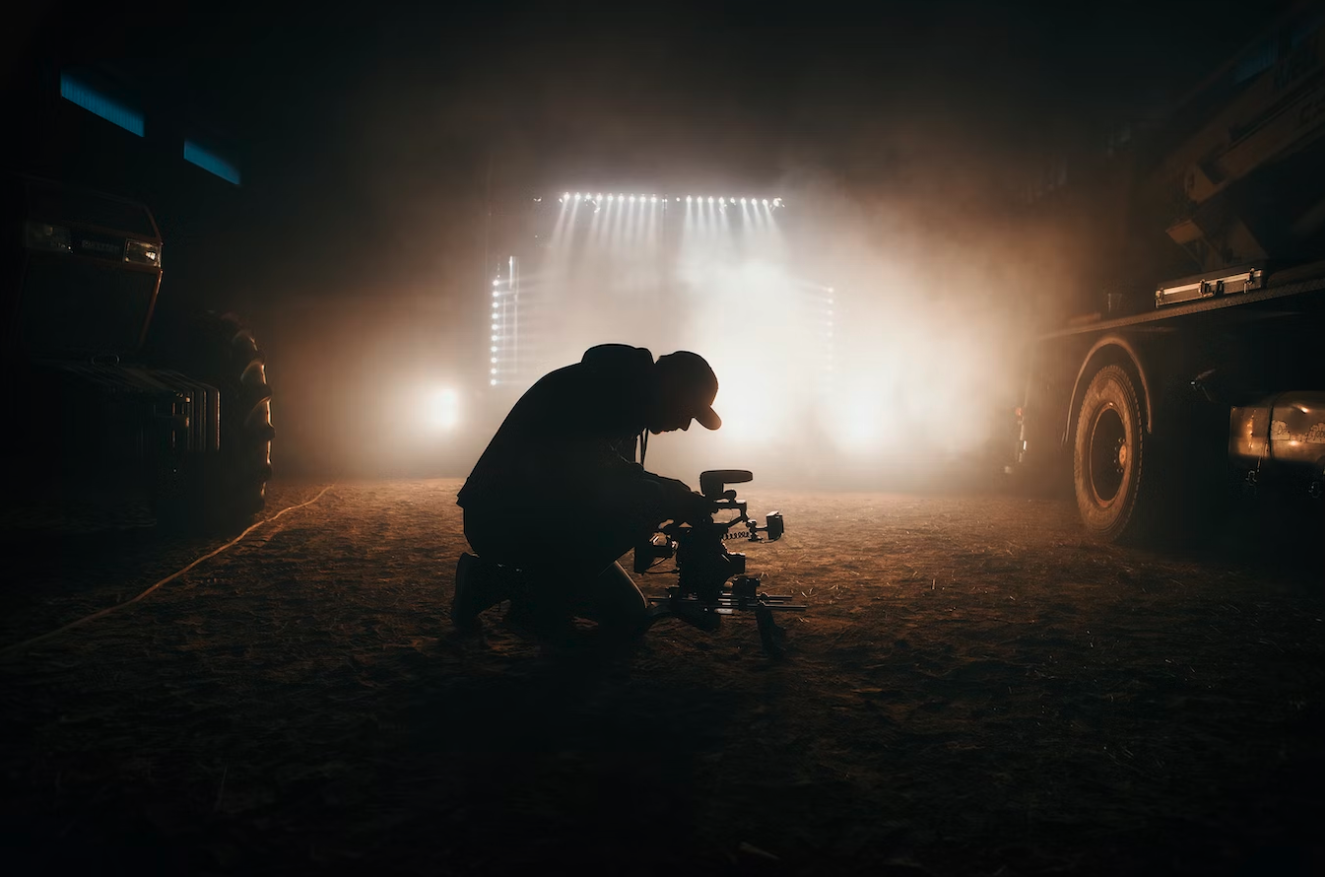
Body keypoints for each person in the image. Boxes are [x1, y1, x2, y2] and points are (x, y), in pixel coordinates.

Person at [452, 343, 722, 641]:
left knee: (628, 612)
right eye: (688, 411)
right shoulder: (606, 392)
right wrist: (668, 495)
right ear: (672, 389)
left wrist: (671, 490)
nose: (685, 425)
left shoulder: (620, 392)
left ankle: (484, 583)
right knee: (649, 498)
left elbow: (606, 470)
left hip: (511, 514)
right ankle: (534, 607)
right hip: (501, 519)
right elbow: (592, 472)